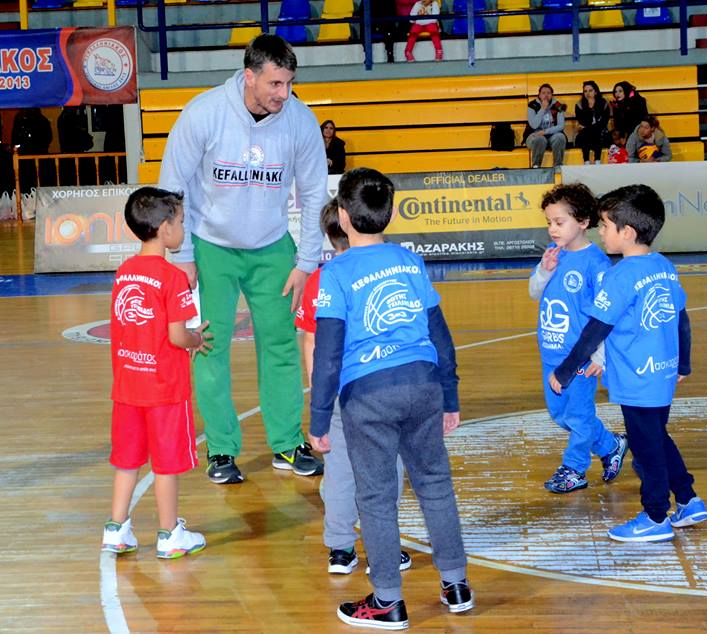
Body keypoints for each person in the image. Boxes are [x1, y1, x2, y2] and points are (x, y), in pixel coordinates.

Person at [157, 34, 328, 485]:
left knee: (281, 346)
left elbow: (315, 193)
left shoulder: (300, 120)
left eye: (289, 83)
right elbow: (173, 185)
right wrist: (184, 254)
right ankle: (220, 448)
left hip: (272, 249)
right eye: (275, 83)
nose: (283, 93)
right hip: (210, 247)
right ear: (249, 76)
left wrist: (306, 261)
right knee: (208, 347)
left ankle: (287, 442)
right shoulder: (204, 113)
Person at [309, 168, 473, 629]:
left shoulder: (334, 272)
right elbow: (440, 335)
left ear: (342, 216)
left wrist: (319, 418)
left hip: (369, 395)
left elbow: (327, 354)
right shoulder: (409, 261)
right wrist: (450, 395)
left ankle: (387, 600)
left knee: (376, 497)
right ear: (393, 212)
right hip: (423, 385)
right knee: (435, 485)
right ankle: (456, 584)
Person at [550, 184, 707, 543]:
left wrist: (566, 369)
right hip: (662, 374)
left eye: (605, 225)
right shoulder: (663, 266)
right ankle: (687, 499)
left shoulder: (621, 275)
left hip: (638, 379)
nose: (601, 232)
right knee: (657, 438)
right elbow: (682, 319)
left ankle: (655, 516)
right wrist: (683, 364)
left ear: (628, 232)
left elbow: (596, 329)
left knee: (646, 447)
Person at [296, 198, 412, 576]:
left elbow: (311, 342)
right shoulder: (388, 268)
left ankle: (340, 549)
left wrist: (319, 394)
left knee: (340, 472)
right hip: (382, 387)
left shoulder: (321, 279)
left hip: (337, 392)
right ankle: (384, 547)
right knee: (386, 467)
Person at [102, 187, 212, 559]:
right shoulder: (172, 277)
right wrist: (196, 338)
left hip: (127, 385)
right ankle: (169, 534)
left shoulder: (124, 272)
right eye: (180, 221)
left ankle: (116, 529)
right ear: (165, 228)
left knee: (127, 460)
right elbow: (177, 336)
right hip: (164, 388)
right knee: (166, 464)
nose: (183, 228)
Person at [529, 184, 628, 494]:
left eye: (559, 222)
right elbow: (534, 292)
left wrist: (600, 356)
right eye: (549, 222)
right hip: (551, 353)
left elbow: (606, 314)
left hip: (580, 357)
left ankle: (574, 469)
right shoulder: (553, 254)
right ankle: (610, 444)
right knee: (560, 414)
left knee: (579, 415)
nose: (552, 229)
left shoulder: (596, 264)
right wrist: (544, 271)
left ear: (583, 222)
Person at [525, 83, 567, 168]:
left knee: (560, 137)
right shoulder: (532, 105)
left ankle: (558, 165)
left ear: (552, 95)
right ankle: (536, 166)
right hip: (535, 135)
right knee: (540, 139)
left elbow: (561, 125)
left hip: (552, 135)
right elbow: (534, 125)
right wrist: (543, 109)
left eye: (548, 93)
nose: (546, 95)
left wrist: (545, 131)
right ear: (539, 95)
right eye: (543, 93)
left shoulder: (558, 105)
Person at [574, 81, 611, 165]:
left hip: (601, 133)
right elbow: (583, 122)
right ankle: (586, 161)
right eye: (585, 91)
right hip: (585, 134)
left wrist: (592, 127)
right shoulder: (579, 105)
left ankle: (597, 160)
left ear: (596, 92)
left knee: (596, 132)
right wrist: (589, 108)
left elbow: (604, 122)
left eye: (590, 90)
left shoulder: (603, 103)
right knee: (586, 133)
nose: (588, 93)